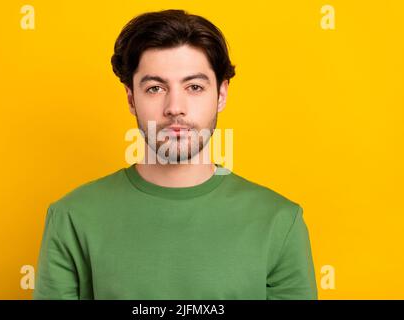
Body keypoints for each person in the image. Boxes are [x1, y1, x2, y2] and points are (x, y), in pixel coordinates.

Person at [33, 9, 318, 300]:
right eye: (155, 88)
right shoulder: (71, 218)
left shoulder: (280, 221)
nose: (175, 107)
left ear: (221, 94)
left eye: (194, 87)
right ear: (132, 99)